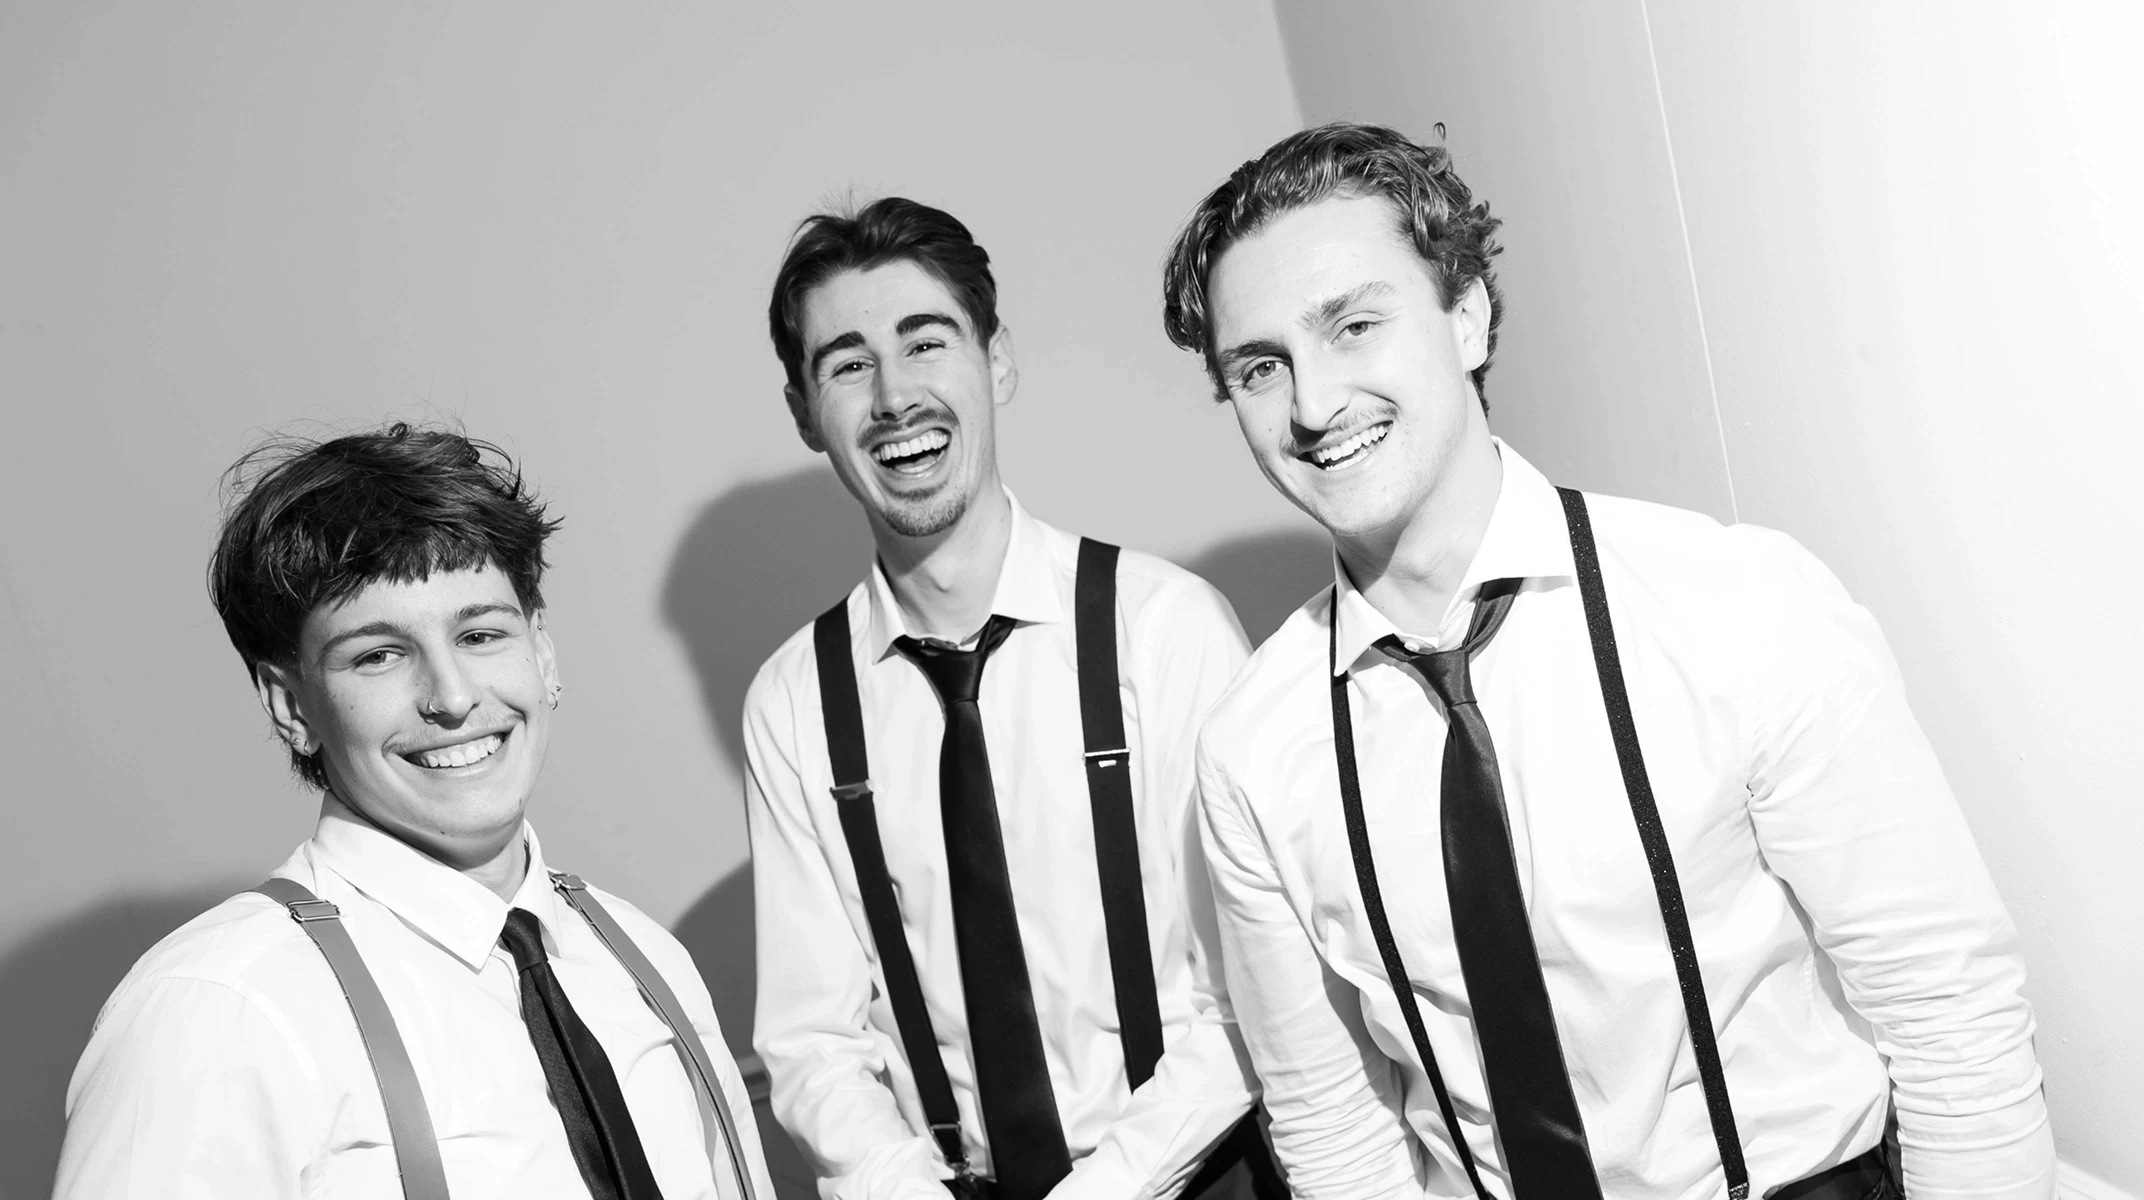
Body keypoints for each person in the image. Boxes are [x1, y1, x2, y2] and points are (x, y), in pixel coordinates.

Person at [1161, 123, 2054, 1199]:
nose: (1312, 405)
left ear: (1465, 315)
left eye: (1353, 325)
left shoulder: (1733, 603)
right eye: (1261, 367)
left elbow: (1947, 1005)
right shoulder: (1252, 751)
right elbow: (1331, 1124)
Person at [56, 422, 774, 1200]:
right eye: (378, 655)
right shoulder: (220, 1009)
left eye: (480, 634)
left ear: (542, 653)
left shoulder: (638, 954)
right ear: (291, 706)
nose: (453, 697)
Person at [744, 198, 1276, 1200]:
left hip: (1195, 1176)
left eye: (925, 343)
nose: (894, 397)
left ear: (997, 363)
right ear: (804, 413)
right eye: (848, 365)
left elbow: (1250, 990)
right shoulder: (790, 704)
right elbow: (813, 1043)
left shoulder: (1163, 630)